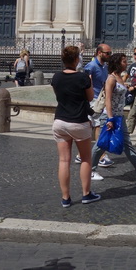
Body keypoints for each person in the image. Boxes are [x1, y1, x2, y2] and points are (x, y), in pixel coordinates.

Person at [90, 53, 136, 182]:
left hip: (119, 116)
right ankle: (90, 170)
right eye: (124, 61)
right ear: (117, 63)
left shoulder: (120, 78)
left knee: (127, 143)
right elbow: (108, 100)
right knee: (101, 145)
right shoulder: (111, 79)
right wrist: (110, 119)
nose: (127, 63)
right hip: (109, 116)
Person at [51, 45, 101, 207]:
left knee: (64, 160)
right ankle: (86, 194)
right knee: (86, 158)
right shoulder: (82, 78)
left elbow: (59, 95)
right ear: (76, 59)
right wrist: (90, 82)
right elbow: (90, 97)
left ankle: (65, 198)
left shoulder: (56, 77)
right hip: (78, 122)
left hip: (59, 122)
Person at [82, 44, 114, 169]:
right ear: (99, 52)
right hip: (94, 100)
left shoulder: (104, 67)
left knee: (94, 126)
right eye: (107, 53)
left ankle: (82, 154)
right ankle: (101, 156)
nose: (109, 56)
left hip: (100, 99)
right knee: (98, 126)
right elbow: (86, 83)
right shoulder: (91, 66)